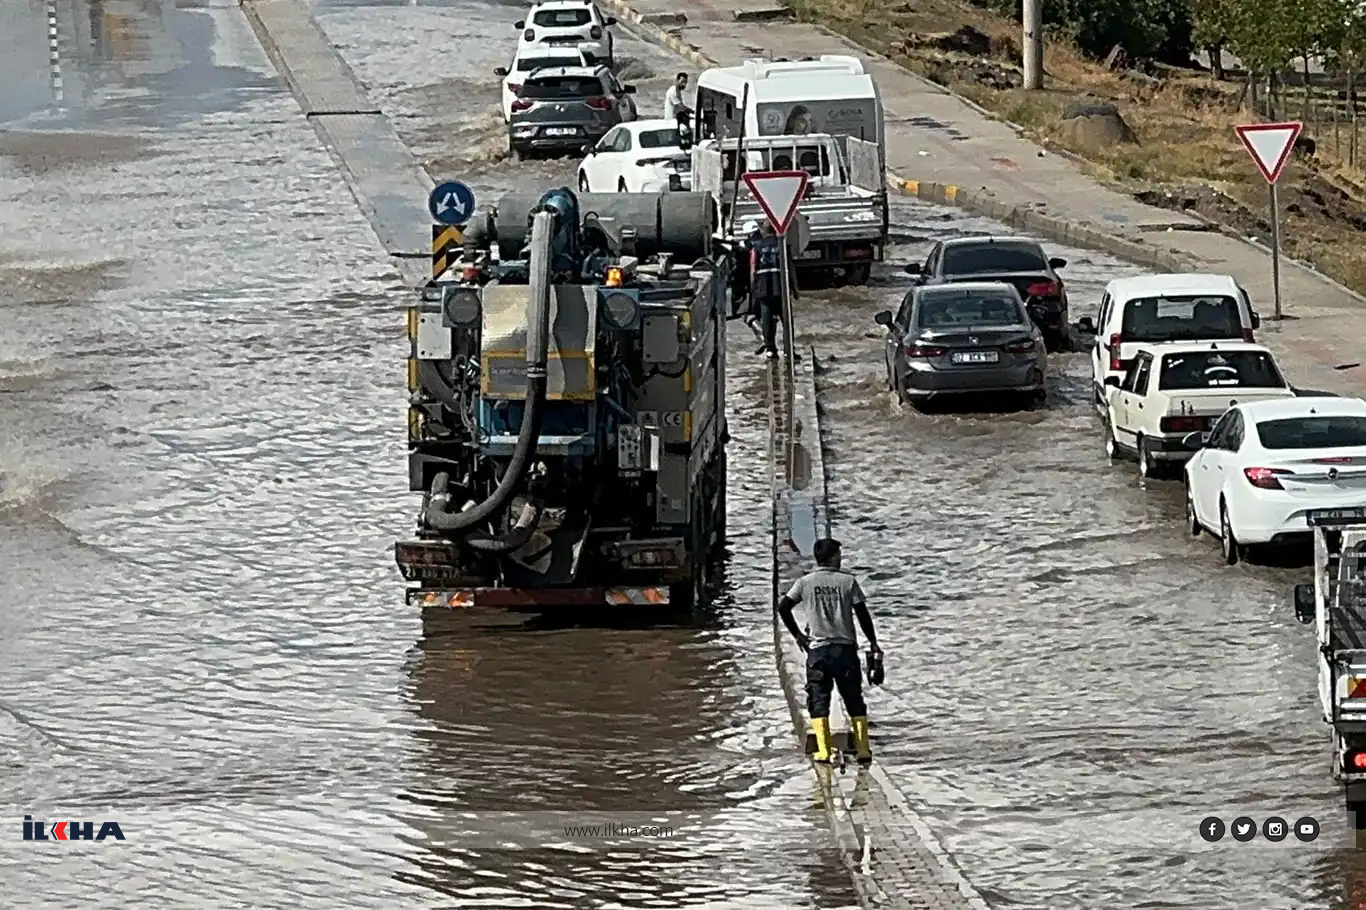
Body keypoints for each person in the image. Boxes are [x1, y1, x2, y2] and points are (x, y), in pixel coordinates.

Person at [777, 537, 880, 766]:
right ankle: (863, 749)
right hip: (845, 652)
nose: (840, 559)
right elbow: (862, 615)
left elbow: (783, 607)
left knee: (818, 700)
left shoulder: (805, 582)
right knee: (854, 699)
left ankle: (824, 752)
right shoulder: (848, 582)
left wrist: (798, 636)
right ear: (833, 557)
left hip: (818, 653)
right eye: (839, 555)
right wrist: (873, 642)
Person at [748, 221, 797, 358]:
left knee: (767, 320)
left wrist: (753, 289)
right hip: (781, 288)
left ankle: (770, 349)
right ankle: (789, 349)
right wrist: (795, 288)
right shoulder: (783, 246)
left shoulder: (756, 248)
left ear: (762, 231)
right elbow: (790, 268)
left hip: (764, 288)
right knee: (786, 320)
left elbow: (753, 270)